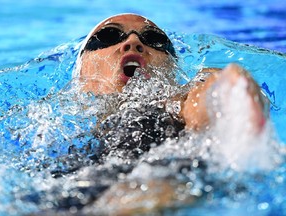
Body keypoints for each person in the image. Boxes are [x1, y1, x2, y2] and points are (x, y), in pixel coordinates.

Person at [74, 13, 268, 135]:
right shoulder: (56, 129)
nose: (133, 42)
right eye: (108, 36)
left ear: (172, 70)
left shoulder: (175, 108)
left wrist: (230, 90)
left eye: (154, 39)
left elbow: (205, 99)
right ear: (81, 73)